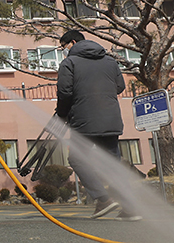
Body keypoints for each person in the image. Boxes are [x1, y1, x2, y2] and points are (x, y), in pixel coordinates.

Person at [55, 30, 141, 221]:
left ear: (73, 42)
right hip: (111, 119)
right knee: (112, 163)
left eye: (64, 46)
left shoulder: (69, 63)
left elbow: (65, 92)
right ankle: (130, 209)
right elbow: (119, 87)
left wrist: (61, 114)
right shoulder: (110, 61)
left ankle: (103, 199)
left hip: (84, 121)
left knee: (77, 159)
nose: (64, 50)